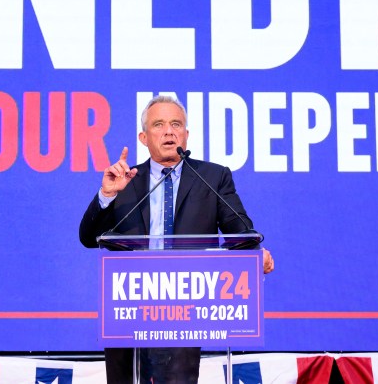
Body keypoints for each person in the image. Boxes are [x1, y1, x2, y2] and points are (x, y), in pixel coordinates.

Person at [80, 95, 275, 383]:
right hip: (130, 307)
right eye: (159, 124)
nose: (169, 131)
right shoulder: (126, 180)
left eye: (176, 124)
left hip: (185, 307)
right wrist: (108, 194)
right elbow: (87, 237)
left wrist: (255, 253)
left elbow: (241, 231)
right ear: (144, 137)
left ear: (186, 134)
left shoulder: (213, 176)